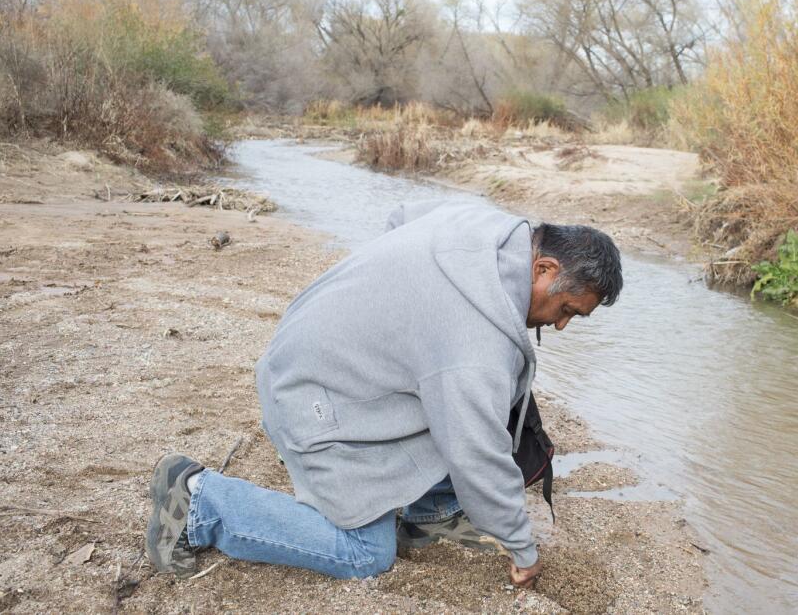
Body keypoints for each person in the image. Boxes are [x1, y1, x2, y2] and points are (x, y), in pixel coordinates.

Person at [144, 199, 622, 587]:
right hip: (309, 403)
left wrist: (390, 306)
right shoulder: (474, 344)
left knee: (461, 405)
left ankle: (424, 509)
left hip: (300, 356)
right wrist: (521, 547)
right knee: (365, 554)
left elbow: (401, 216)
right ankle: (200, 501)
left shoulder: (482, 224)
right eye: (566, 309)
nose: (559, 325)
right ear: (542, 268)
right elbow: (476, 453)